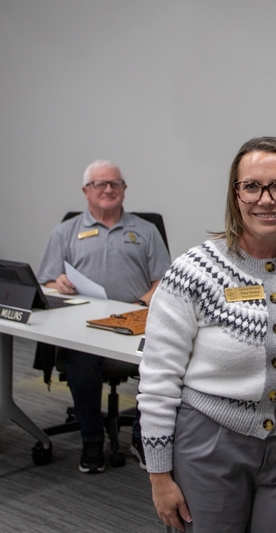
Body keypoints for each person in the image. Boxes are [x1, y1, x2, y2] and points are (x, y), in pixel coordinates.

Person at [136, 137, 276, 532]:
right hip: (209, 444)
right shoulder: (194, 271)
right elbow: (158, 379)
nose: (266, 199)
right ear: (235, 196)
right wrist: (159, 476)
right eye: (251, 186)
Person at [37, 159, 171, 473]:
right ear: (86, 190)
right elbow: (45, 281)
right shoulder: (65, 231)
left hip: (134, 322)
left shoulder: (145, 230)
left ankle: (141, 437)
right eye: (100, 184)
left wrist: (140, 303)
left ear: (124, 190)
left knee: (162, 362)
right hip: (83, 326)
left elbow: (163, 281)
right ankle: (92, 440)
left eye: (115, 184)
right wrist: (58, 282)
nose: (108, 189)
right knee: (81, 363)